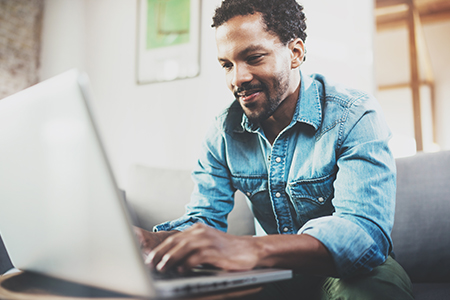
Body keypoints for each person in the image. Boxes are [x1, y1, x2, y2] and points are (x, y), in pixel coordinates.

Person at [135, 0, 414, 298]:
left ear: (295, 53)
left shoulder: (354, 115)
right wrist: (161, 241)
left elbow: (363, 235)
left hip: (351, 268)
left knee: (373, 288)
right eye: (227, 65)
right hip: (273, 271)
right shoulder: (223, 132)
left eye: (253, 58)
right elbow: (204, 216)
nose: (237, 79)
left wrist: (250, 248)